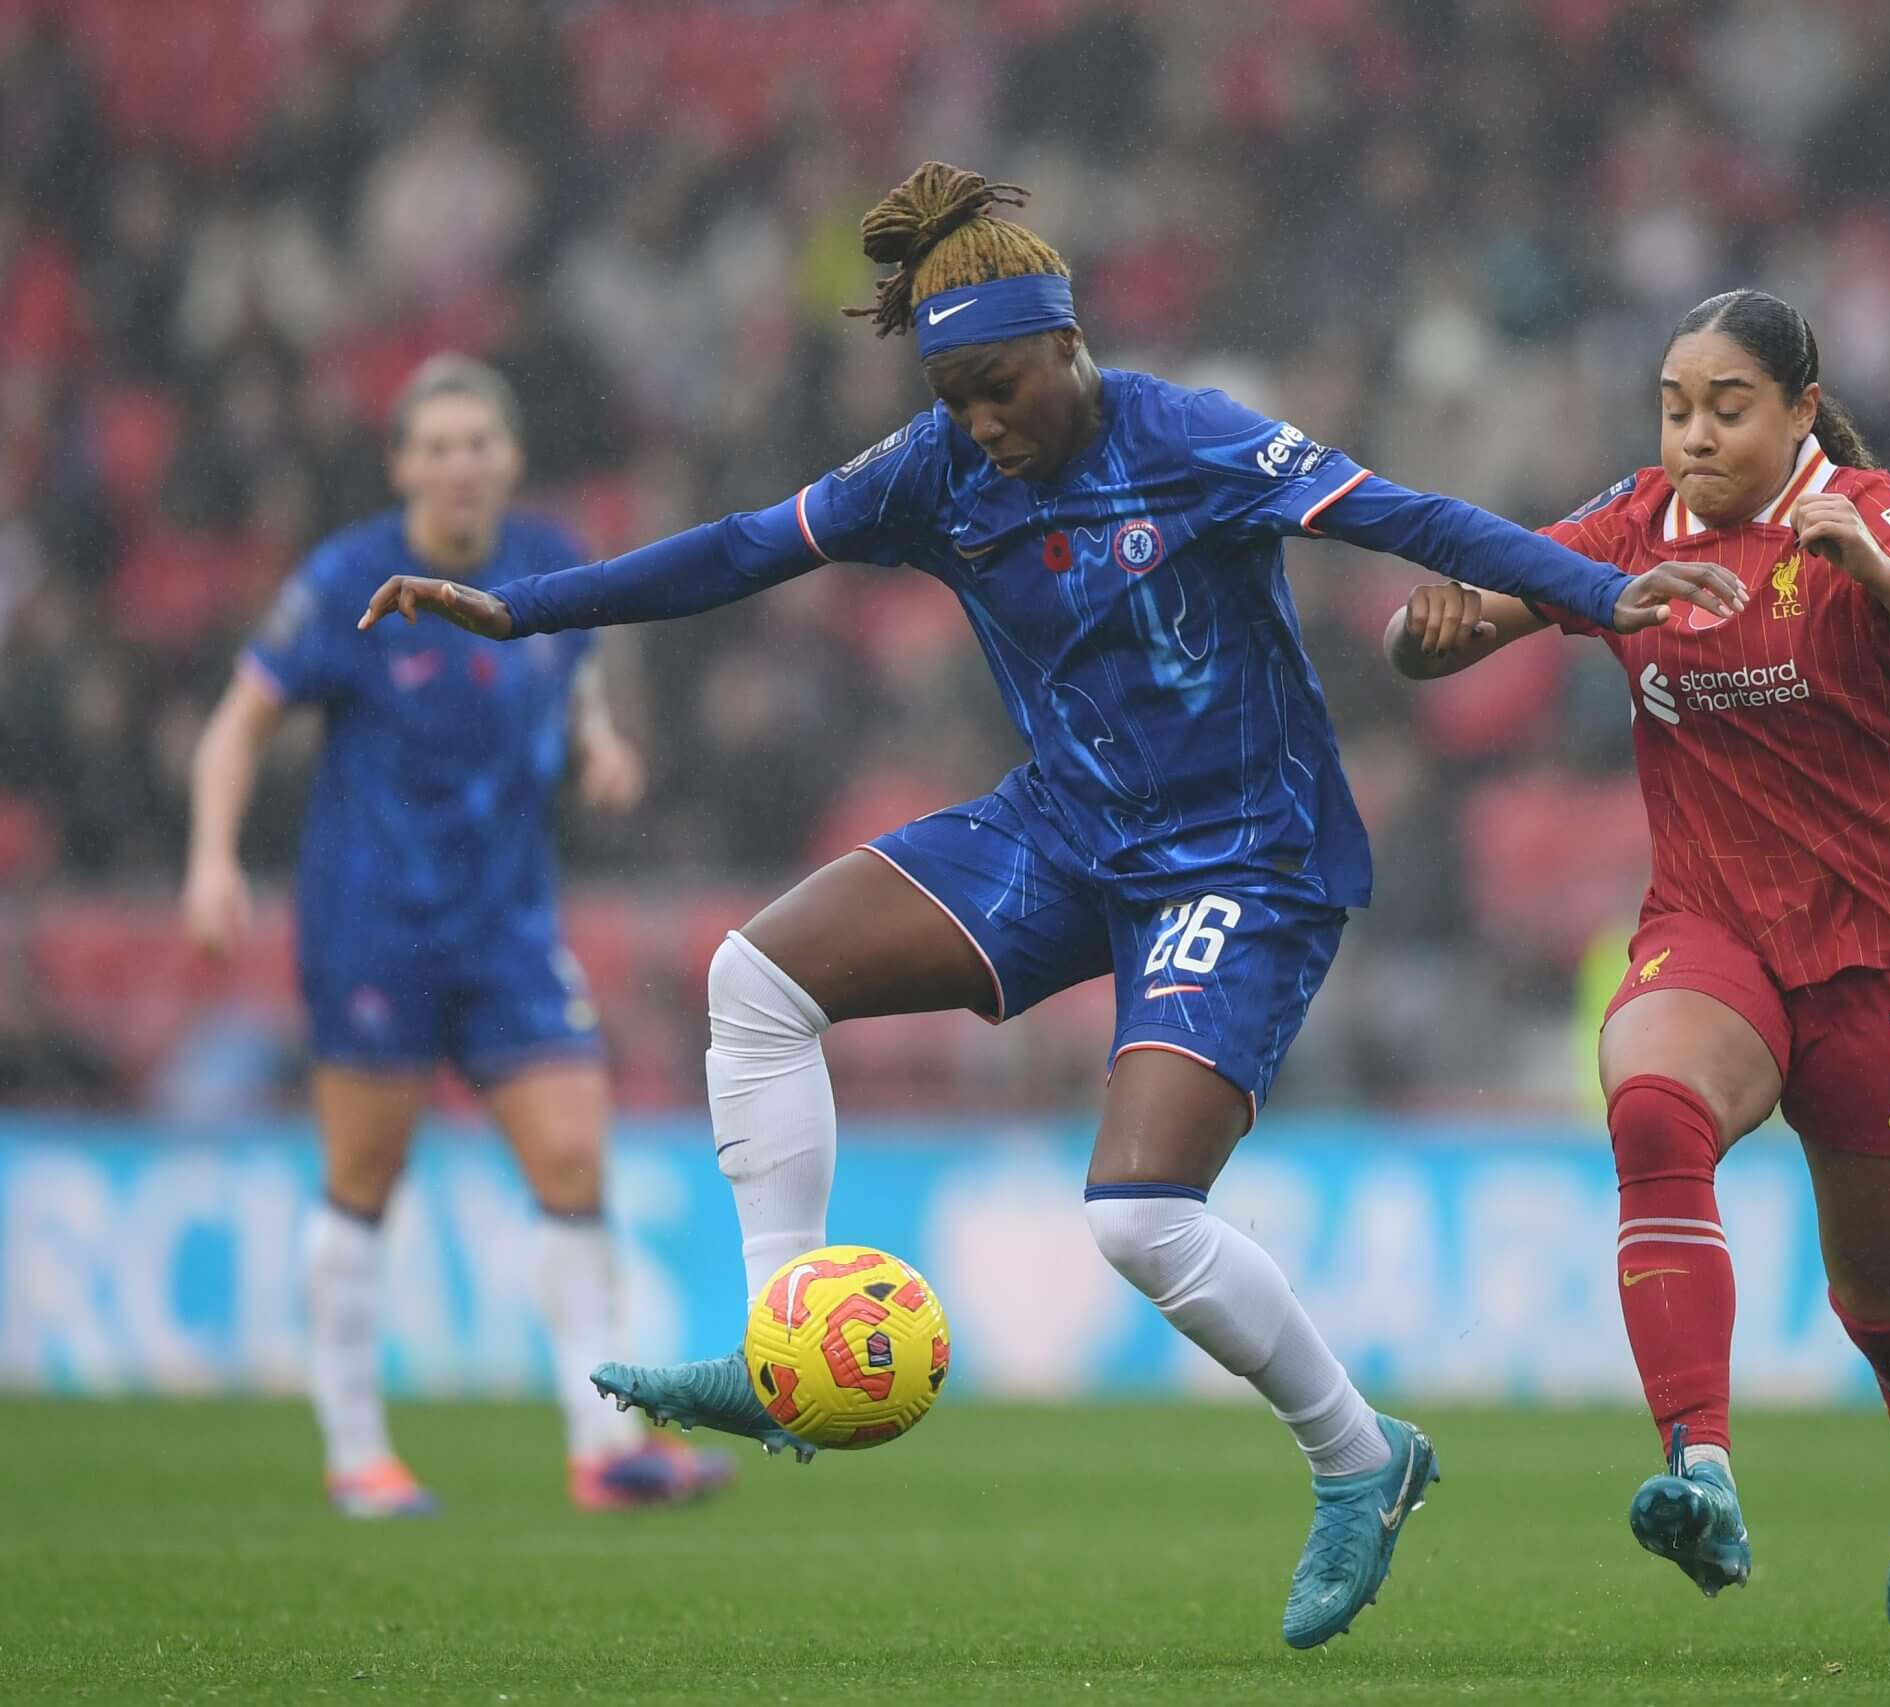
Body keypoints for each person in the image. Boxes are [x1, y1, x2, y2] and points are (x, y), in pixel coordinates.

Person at [355, 162, 1718, 1648]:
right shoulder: (938, 467)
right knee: (755, 976)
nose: (984, 425)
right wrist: (524, 608)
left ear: (1071, 345)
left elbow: (1404, 517)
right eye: (957, 398)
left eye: (1001, 388)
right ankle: (782, 1340)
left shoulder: (1189, 438)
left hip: (1240, 857)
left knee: (1139, 1218)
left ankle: (1360, 1454)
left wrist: (1590, 593)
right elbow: (742, 548)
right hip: (1067, 831)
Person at [1384, 289, 1890, 1635]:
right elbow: (1471, 617)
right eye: (1677, 408)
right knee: (1652, 1106)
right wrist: (1428, 634)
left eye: (1727, 408)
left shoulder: (1867, 510)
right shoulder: (1633, 522)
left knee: (1887, 1304)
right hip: (1715, 928)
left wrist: (1878, 570)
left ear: (1800, 408)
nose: (1695, 435)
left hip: (1888, 953)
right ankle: (1704, 1467)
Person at [184, 354, 732, 1517]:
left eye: (477, 442)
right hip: (372, 925)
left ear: (510, 456)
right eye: (435, 446)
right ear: (402, 467)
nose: (459, 465)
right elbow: (238, 727)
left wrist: (597, 746)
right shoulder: (345, 580)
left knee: (575, 1162)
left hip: (510, 924)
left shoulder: (548, 557)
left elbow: (568, 673)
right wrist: (211, 859)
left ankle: (605, 1450)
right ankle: (354, 1455)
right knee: (364, 1179)